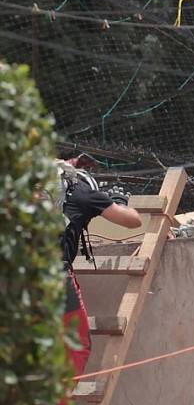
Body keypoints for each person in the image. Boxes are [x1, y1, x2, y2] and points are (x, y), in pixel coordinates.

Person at [56, 157, 142, 375]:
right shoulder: (82, 194)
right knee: (76, 347)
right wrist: (118, 200)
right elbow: (133, 221)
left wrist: (73, 161)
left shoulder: (23, 195)